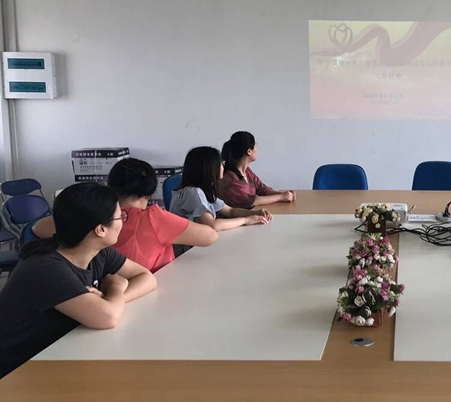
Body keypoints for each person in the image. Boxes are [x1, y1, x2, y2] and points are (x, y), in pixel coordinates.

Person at [0, 183, 157, 378]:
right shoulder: (45, 267)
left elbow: (146, 278)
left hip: (54, 355)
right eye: (121, 216)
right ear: (101, 229)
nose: (123, 221)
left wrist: (110, 300)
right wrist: (115, 289)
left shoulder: (98, 252)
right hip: (15, 373)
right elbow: (107, 318)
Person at [33, 159, 219, 272]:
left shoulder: (93, 213)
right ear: (149, 194)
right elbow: (210, 236)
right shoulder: (154, 217)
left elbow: (38, 227)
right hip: (155, 287)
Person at [170, 146, 272, 232]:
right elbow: (212, 225)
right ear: (210, 169)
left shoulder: (205, 190)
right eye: (221, 164)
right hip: (189, 248)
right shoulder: (192, 193)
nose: (223, 167)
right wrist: (246, 220)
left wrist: (254, 213)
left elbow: (230, 211)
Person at [219, 131, 296, 209]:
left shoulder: (247, 171)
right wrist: (281, 197)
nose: (257, 149)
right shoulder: (230, 179)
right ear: (249, 151)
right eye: (255, 146)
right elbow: (251, 201)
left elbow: (262, 189)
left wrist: (284, 195)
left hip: (250, 214)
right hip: (238, 216)